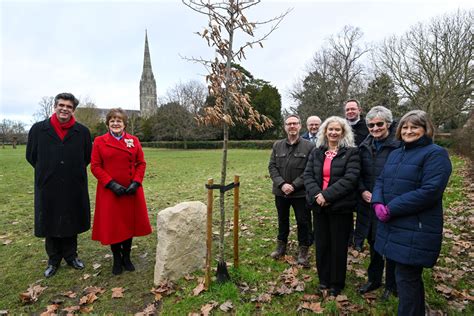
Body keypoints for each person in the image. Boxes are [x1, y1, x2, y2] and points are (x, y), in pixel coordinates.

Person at [372, 110, 452, 315]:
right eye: (405, 127)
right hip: (394, 225)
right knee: (406, 278)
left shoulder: (435, 154)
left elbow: (430, 191)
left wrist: (392, 208)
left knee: (407, 277)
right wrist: (377, 201)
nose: (408, 131)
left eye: (415, 127)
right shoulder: (396, 153)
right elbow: (381, 179)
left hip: (416, 225)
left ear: (426, 130)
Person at [26, 92, 92, 278]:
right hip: (48, 184)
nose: (64, 109)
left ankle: (71, 256)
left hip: (73, 184)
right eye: (61, 105)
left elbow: (87, 157)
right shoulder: (39, 129)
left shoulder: (82, 132)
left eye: (69, 107)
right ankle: (53, 260)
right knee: (50, 220)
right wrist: (49, 170)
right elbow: (32, 155)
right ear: (55, 106)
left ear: (73, 110)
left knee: (71, 219)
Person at [90, 108, 152, 275]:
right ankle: (117, 258)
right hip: (110, 191)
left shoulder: (133, 140)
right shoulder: (99, 141)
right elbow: (95, 166)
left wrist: (136, 182)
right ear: (108, 124)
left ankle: (127, 257)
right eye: (112, 121)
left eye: (119, 121)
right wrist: (111, 184)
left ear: (124, 124)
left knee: (128, 224)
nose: (116, 123)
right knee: (114, 225)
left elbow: (141, 163)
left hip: (131, 191)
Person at [304, 116, 360, 297]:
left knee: (338, 246)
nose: (334, 132)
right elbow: (308, 175)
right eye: (330, 129)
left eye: (338, 130)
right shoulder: (317, 151)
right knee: (322, 245)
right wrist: (317, 196)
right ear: (325, 131)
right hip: (319, 207)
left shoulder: (351, 152)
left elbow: (350, 178)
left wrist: (327, 196)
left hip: (340, 207)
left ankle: (337, 283)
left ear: (343, 132)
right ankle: (323, 280)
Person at [354, 106, 401, 301]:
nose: (375, 128)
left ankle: (392, 284)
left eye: (379, 124)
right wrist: (363, 190)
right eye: (371, 125)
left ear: (388, 124)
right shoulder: (364, 146)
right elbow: (357, 173)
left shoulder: (399, 146)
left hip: (390, 204)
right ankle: (374, 279)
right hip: (368, 204)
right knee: (373, 242)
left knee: (391, 246)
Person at [268, 114, 315, 267]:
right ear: (285, 127)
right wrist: (282, 184)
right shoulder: (277, 145)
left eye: (295, 123)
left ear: (300, 126)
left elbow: (310, 170)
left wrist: (294, 185)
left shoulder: (309, 146)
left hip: (300, 193)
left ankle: (303, 250)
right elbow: (272, 167)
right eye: (289, 124)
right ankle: (281, 247)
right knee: (282, 220)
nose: (292, 126)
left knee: (303, 221)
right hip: (280, 192)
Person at [345, 99, 369, 248]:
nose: (350, 112)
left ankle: (359, 241)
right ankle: (348, 238)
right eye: (347, 110)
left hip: (365, 170)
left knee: (363, 209)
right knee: (347, 207)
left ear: (359, 110)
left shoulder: (368, 126)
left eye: (353, 109)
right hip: (346, 170)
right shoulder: (342, 127)